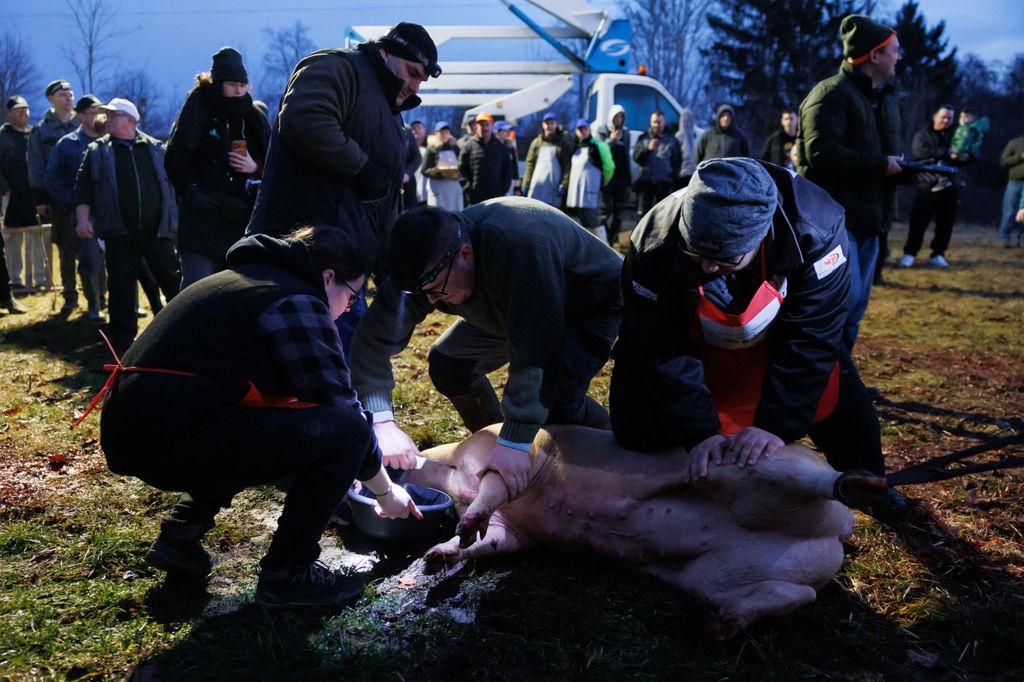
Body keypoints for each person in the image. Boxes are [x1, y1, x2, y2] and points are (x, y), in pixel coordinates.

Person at [96, 225, 420, 607]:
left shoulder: (251, 280)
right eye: (352, 296)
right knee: (345, 432)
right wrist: (384, 491)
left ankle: (181, 534)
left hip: (138, 428)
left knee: (248, 420)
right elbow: (343, 413)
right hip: (166, 433)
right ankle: (289, 573)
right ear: (328, 276)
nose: (348, 308)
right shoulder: (297, 299)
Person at [609, 158, 909, 519]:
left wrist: (775, 426)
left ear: (762, 235)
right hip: (694, 341)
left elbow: (812, 338)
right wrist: (699, 432)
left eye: (725, 259)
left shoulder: (818, 230)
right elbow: (654, 343)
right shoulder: (654, 241)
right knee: (634, 422)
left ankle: (869, 481)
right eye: (698, 255)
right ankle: (680, 481)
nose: (707, 268)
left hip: (779, 335)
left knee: (842, 397)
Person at [349, 199, 622, 498]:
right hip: (511, 309)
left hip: (588, 303)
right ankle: (496, 454)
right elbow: (371, 340)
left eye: (435, 291)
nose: (429, 301)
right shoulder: (424, 268)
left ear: (465, 253)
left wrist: (516, 440)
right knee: (449, 365)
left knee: (554, 401)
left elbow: (538, 348)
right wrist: (382, 420)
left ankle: (616, 456)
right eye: (421, 293)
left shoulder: (517, 242)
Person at [245, 22, 440, 351]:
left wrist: (387, 258)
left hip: (348, 267)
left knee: (345, 363)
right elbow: (306, 117)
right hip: (301, 255)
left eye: (421, 79)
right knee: (309, 364)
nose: (415, 85)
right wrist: (361, 166)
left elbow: (383, 196)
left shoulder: (392, 113)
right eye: (412, 72)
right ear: (385, 53)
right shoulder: (336, 67)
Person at [797, 14, 916, 352]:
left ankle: (842, 387)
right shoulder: (831, 94)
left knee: (855, 309)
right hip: (834, 222)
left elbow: (881, 160)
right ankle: (819, 388)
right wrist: (882, 165)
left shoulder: (886, 100)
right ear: (874, 55)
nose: (899, 56)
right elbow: (820, 152)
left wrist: (910, 172)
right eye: (894, 50)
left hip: (870, 220)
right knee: (837, 307)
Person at [74, 98, 181, 353]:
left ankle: (182, 334)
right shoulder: (97, 151)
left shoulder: (156, 148)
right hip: (119, 234)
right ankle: (123, 349)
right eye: (107, 116)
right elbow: (83, 189)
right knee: (121, 290)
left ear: (131, 120)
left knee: (173, 284)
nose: (107, 119)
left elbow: (175, 187)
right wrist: (82, 220)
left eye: (114, 115)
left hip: (158, 233)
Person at [165, 47, 270, 288]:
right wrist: (192, 192)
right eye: (233, 84)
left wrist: (256, 167)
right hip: (201, 216)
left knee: (234, 290)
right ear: (219, 82)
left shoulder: (252, 117)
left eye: (243, 85)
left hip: (240, 218)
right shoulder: (198, 108)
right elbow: (177, 156)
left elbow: (276, 163)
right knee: (196, 288)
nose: (239, 90)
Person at [43, 94, 106, 321]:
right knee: (84, 259)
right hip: (77, 214)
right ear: (80, 116)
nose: (99, 116)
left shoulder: (109, 141)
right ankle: (89, 303)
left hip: (107, 213)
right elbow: (51, 178)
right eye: (93, 112)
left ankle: (104, 298)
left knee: (107, 260)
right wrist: (73, 202)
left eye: (102, 111)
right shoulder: (67, 144)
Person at [29, 80, 79, 306]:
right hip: (58, 198)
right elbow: (36, 166)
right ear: (51, 99)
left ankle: (98, 294)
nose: (68, 98)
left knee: (96, 250)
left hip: (86, 196)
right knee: (66, 247)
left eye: (70, 94)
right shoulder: (42, 130)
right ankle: (70, 295)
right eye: (62, 95)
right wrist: (40, 199)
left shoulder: (83, 123)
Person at [898, 104, 964, 269]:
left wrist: (966, 155)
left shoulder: (957, 137)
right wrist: (947, 155)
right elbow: (920, 154)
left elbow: (968, 159)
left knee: (945, 224)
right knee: (918, 222)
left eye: (950, 118)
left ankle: (938, 254)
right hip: (926, 187)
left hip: (949, 188)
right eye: (943, 116)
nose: (946, 120)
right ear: (935, 116)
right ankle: (910, 254)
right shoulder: (923, 135)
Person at [0, 96, 34, 310]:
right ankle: (14, 278)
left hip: (30, 192)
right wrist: (4, 187)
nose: (23, 113)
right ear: (9, 112)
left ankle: (7, 296)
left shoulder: (34, 134)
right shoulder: (2, 136)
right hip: (9, 192)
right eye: (18, 109)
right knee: (11, 236)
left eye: (26, 109)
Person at [565, 118, 614, 242]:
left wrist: (602, 183)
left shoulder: (599, 145)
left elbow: (609, 167)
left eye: (585, 129)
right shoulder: (575, 147)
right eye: (579, 129)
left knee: (595, 222)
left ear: (589, 129)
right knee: (579, 224)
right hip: (576, 196)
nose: (582, 132)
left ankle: (604, 248)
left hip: (591, 194)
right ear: (576, 131)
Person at [633, 110, 680, 220]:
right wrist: (647, 149)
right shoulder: (643, 138)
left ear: (664, 122)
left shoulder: (672, 140)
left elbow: (677, 162)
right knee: (643, 217)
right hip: (645, 183)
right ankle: (642, 237)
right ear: (650, 122)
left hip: (664, 184)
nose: (657, 125)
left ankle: (661, 238)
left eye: (659, 122)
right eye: (654, 122)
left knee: (664, 217)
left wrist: (671, 178)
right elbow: (636, 158)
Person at [458, 112, 513, 206]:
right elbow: (462, 170)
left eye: (487, 124)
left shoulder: (500, 147)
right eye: (481, 125)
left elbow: (508, 170)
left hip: (497, 198)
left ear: (491, 126)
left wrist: (503, 190)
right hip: (475, 200)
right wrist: (469, 190)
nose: (484, 128)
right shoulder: (468, 147)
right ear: (477, 127)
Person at [598, 104, 632, 245]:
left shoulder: (626, 133)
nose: (619, 119)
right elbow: (599, 151)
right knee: (605, 211)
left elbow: (627, 156)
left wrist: (629, 179)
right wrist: (611, 140)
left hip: (621, 177)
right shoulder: (602, 131)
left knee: (619, 212)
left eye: (621, 116)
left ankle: (612, 239)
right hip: (607, 178)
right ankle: (603, 240)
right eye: (616, 116)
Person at [523, 112, 572, 208]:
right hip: (536, 188)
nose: (549, 126)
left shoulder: (563, 144)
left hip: (554, 190)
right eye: (547, 123)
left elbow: (567, 167)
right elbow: (529, 165)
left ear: (556, 124)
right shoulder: (536, 143)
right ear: (543, 125)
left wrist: (564, 185)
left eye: (552, 123)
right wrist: (526, 183)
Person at [422, 121, 463, 211]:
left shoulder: (455, 147)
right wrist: (440, 172)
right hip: (437, 190)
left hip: (452, 188)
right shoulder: (431, 148)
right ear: (436, 133)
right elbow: (424, 170)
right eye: (441, 132)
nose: (444, 134)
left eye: (446, 132)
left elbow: (461, 165)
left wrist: (458, 174)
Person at [998, 130, 1024, 248]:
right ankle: (1004, 239)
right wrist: (1019, 157)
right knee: (1009, 212)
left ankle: (1022, 240)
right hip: (1015, 182)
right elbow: (1004, 161)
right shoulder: (1015, 143)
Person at [674, 107, 701, 190]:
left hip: (693, 173)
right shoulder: (678, 136)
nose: (687, 121)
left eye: (689, 119)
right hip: (681, 173)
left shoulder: (696, 135)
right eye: (685, 119)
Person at [493, 121, 520, 196]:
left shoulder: (510, 147)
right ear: (496, 132)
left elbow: (515, 168)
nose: (508, 133)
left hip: (509, 188)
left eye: (508, 130)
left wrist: (517, 188)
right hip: (493, 188)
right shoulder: (491, 148)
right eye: (504, 130)